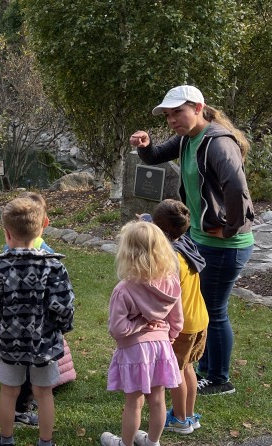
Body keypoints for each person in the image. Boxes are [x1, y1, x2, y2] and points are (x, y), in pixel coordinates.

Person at [131, 85, 254, 396]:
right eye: (169, 115)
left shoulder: (217, 143)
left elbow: (236, 188)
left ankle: (219, 378)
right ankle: (204, 367)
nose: (173, 119)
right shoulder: (189, 138)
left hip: (225, 246)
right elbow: (157, 155)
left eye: (178, 112)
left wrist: (230, 228)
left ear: (198, 108)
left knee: (214, 309)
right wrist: (146, 146)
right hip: (202, 239)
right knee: (205, 307)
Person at [0, 197, 75, 446]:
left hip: (9, 345)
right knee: (43, 393)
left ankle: (6, 440)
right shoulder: (53, 266)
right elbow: (64, 306)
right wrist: (62, 327)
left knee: (9, 392)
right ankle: (45, 442)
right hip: (44, 345)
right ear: (41, 228)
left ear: (7, 233)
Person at [100, 221, 184, 446]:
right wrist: (170, 336)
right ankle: (153, 441)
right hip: (162, 347)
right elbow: (177, 320)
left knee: (133, 403)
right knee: (158, 399)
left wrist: (138, 325)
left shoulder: (124, 289)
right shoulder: (171, 282)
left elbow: (118, 329)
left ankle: (124, 443)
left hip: (136, 350)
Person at [149, 200, 208, 434]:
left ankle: (180, 420)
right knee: (189, 368)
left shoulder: (169, 260)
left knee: (177, 373)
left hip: (182, 326)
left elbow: (166, 298)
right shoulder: (186, 246)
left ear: (162, 231)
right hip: (200, 320)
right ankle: (190, 415)